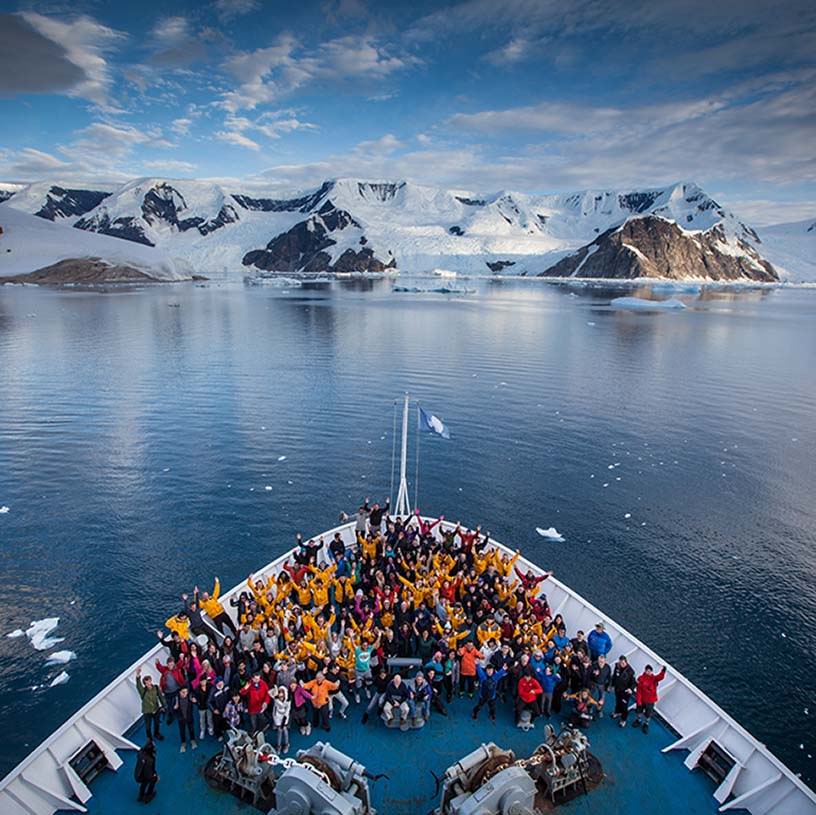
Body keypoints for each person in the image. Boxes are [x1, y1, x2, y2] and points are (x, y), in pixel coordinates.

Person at [632, 664, 666, 734]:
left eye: (650, 671)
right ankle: (638, 720)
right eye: (647, 671)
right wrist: (638, 701)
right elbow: (639, 691)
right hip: (642, 700)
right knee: (639, 711)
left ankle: (646, 724)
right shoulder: (641, 678)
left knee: (648, 714)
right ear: (645, 671)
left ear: (651, 672)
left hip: (650, 701)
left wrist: (663, 671)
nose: (648, 672)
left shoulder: (654, 679)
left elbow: (660, 677)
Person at [135, 668, 165, 742]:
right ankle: (149, 738)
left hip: (156, 709)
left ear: (151, 680)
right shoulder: (143, 691)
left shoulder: (156, 688)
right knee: (148, 726)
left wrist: (164, 705)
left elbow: (160, 697)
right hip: (147, 711)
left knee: (157, 723)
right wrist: (138, 675)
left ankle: (156, 734)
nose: (148, 683)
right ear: (144, 684)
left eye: (149, 681)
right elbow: (138, 685)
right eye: (146, 682)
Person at [611, 655, 636, 727]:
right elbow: (614, 677)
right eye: (620, 662)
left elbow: (633, 683)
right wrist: (612, 685)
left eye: (623, 663)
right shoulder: (617, 667)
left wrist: (630, 689)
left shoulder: (630, 671)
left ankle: (623, 720)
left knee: (624, 706)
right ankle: (617, 712)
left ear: (626, 662)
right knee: (618, 701)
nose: (621, 664)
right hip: (617, 689)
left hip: (625, 692)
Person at [173, 686, 196, 752]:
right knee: (182, 731)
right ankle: (183, 743)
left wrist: (195, 701)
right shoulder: (176, 699)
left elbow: (196, 702)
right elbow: (172, 710)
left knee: (191, 729)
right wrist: (175, 708)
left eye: (186, 692)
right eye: (183, 692)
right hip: (181, 718)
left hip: (189, 717)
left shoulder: (189, 697)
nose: (185, 694)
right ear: (180, 692)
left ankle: (192, 740)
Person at [271, 686, 291, 754]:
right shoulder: (276, 699)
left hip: (284, 717)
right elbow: (270, 693)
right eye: (279, 693)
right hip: (277, 716)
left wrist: (283, 722)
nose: (281, 695)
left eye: (282, 693)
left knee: (285, 731)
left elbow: (287, 710)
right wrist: (275, 690)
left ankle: (286, 744)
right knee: (279, 731)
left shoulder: (288, 700)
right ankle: (278, 746)